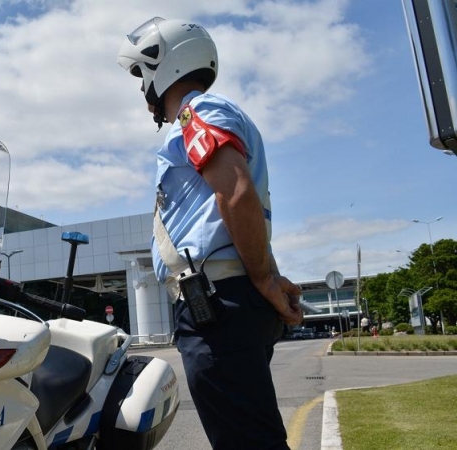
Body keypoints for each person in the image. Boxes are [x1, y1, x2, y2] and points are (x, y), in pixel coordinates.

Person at [117, 18, 303, 449]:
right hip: (224, 302)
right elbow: (236, 206)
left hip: (216, 306)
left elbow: (236, 195)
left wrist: (263, 279)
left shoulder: (196, 112)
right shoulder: (207, 116)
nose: (142, 89)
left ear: (162, 65)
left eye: (140, 75)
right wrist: (266, 277)